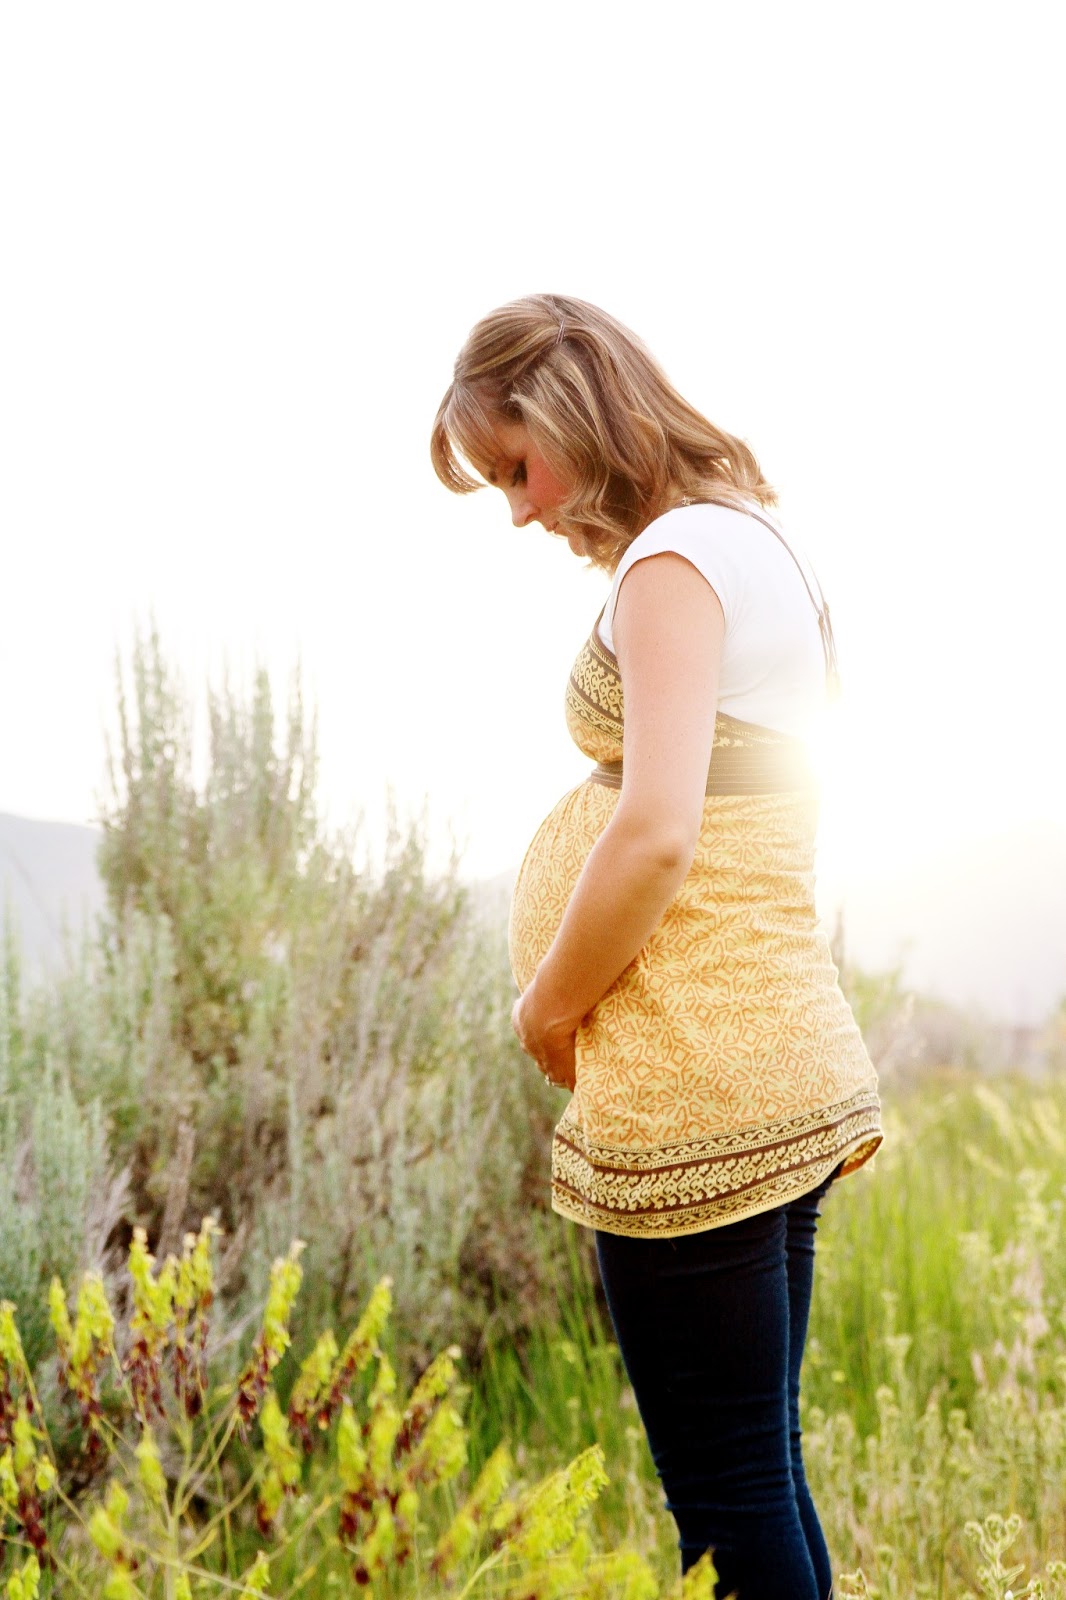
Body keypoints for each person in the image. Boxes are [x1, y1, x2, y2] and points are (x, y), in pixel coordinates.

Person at [431, 294, 882, 1600]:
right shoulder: (753, 544)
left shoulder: (674, 563)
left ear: (567, 398)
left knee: (727, 1501)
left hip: (698, 1089)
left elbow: (655, 837)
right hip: (773, 1062)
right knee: (759, 1472)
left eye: (513, 466)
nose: (518, 510)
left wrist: (543, 1012)